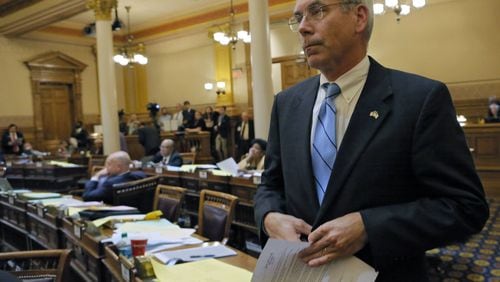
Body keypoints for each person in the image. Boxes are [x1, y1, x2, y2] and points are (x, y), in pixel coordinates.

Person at [253, 1, 489, 281]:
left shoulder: (420, 99)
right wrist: (269, 218)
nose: (303, 27)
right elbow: (271, 186)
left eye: (317, 11)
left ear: (359, 17)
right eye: (298, 18)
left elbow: (466, 207)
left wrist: (370, 227)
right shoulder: (287, 104)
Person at [82, 151, 147, 204]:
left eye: (109, 164)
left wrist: (96, 176)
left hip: (114, 214)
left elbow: (87, 197)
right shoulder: (141, 175)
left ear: (118, 167)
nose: (106, 167)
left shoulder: (111, 183)